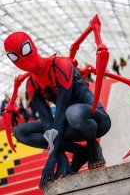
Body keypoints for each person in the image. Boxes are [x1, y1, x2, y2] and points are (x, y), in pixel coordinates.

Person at [4, 31, 111, 188]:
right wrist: (59, 156)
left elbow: (61, 109)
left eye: (24, 50)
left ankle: (92, 146)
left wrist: (51, 156)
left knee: (72, 112)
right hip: (69, 124)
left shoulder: (61, 65)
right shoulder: (31, 85)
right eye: (14, 57)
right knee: (21, 132)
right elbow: (48, 122)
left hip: (95, 120)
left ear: (32, 46)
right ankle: (79, 151)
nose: (22, 60)